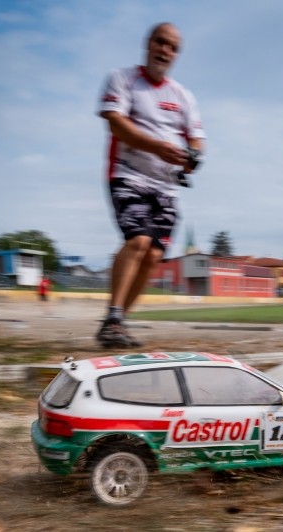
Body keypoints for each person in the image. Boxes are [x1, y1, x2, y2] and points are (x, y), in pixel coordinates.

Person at [96, 22, 206, 348]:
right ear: (148, 44)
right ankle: (113, 316)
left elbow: (197, 140)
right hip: (128, 174)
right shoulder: (122, 78)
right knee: (139, 240)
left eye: (172, 47)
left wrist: (191, 158)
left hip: (166, 186)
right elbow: (117, 125)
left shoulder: (183, 96)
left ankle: (117, 324)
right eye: (160, 42)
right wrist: (158, 147)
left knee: (154, 255)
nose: (165, 50)